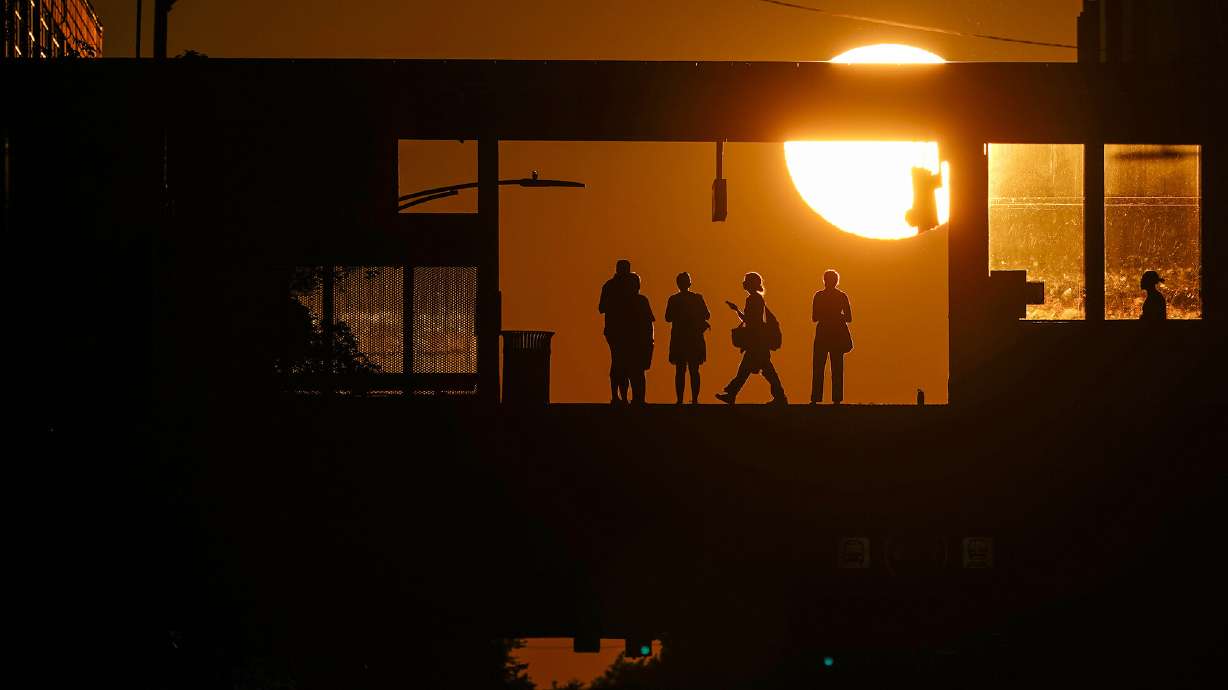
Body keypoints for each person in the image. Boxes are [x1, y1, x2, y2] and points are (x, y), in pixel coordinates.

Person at [715, 272, 787, 405]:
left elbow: (750, 321)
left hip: (756, 341)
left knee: (752, 370)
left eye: (746, 281)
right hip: (758, 341)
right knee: (760, 370)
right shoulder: (757, 299)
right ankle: (779, 397)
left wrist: (737, 311)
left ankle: (732, 394)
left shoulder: (753, 299)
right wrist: (737, 310)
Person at [665, 272, 711, 404]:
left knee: (680, 370)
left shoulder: (673, 299)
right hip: (694, 338)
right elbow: (707, 315)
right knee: (694, 370)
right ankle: (695, 399)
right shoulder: (697, 298)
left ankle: (680, 400)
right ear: (689, 283)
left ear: (678, 284)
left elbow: (667, 317)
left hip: (679, 338)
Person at [810, 269, 853, 405]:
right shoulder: (842, 296)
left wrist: (826, 315)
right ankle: (837, 399)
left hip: (823, 333)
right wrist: (837, 316)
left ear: (824, 280)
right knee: (837, 367)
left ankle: (816, 399)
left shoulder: (818, 296)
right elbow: (849, 318)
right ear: (836, 281)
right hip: (836, 334)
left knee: (818, 367)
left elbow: (814, 317)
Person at [598, 260, 634, 404]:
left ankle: (619, 396)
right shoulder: (616, 286)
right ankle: (618, 396)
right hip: (618, 330)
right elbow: (602, 307)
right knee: (621, 362)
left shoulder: (609, 286)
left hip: (619, 330)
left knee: (619, 362)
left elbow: (601, 307)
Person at [626, 272, 655, 404]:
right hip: (633, 341)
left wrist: (650, 340)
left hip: (641, 341)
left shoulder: (642, 300)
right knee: (634, 371)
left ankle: (639, 398)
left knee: (637, 371)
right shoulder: (635, 301)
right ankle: (637, 398)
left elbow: (649, 322)